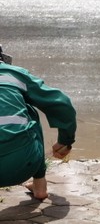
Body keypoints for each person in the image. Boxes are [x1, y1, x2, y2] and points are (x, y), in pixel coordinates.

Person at [0, 46, 76, 200]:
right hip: (19, 166)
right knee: (29, 111)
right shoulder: (13, 74)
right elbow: (62, 104)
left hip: (16, 164)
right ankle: (40, 183)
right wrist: (65, 141)